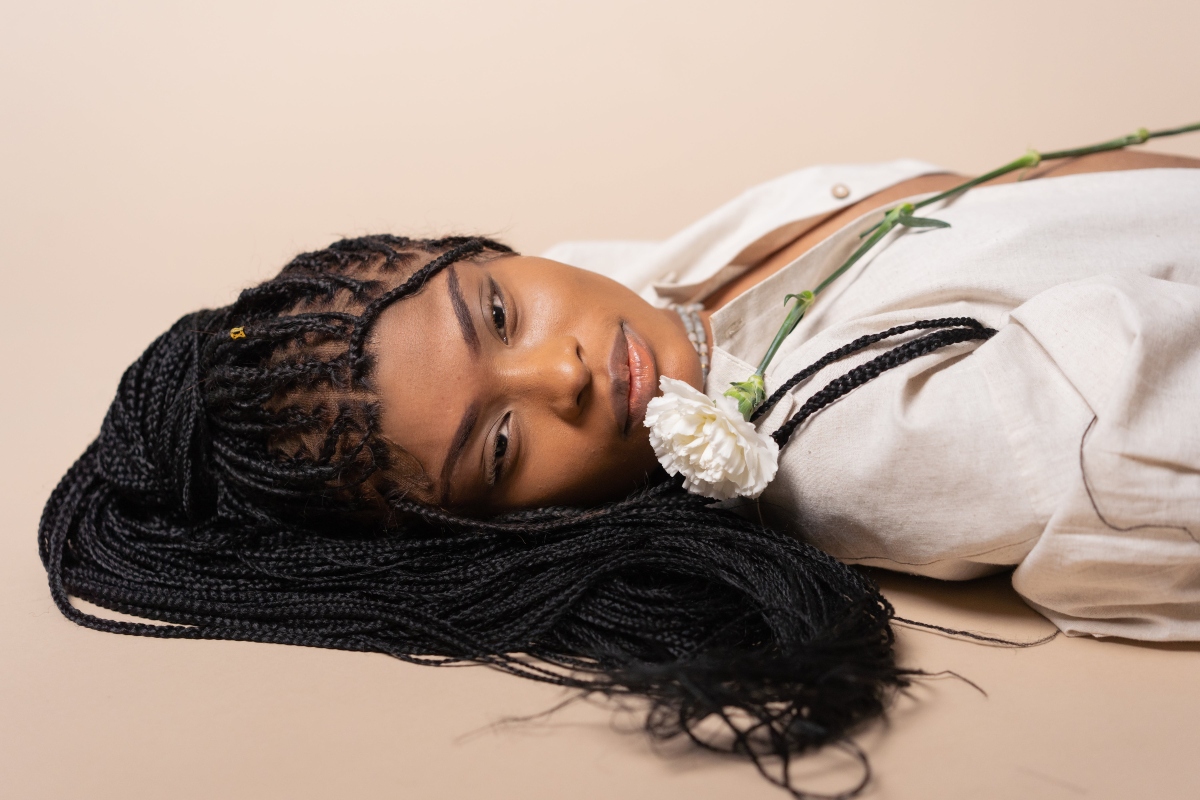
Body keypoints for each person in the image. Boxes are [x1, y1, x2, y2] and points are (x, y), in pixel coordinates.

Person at [39, 147, 1200, 797]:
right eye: (501, 447)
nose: (565, 373)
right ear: (505, 525)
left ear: (479, 243)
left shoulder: (661, 298)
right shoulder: (876, 441)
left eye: (497, 307)